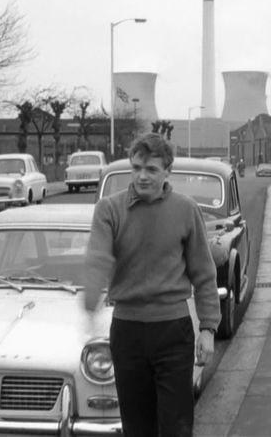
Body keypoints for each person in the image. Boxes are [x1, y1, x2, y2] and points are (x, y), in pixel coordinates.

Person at [84, 132, 220, 436]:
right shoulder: (109, 209)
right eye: (136, 168)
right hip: (127, 331)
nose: (142, 177)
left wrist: (209, 329)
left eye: (151, 170)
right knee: (137, 425)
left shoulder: (186, 210)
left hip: (173, 330)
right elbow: (98, 256)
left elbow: (203, 272)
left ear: (168, 171)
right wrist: (90, 296)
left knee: (176, 424)